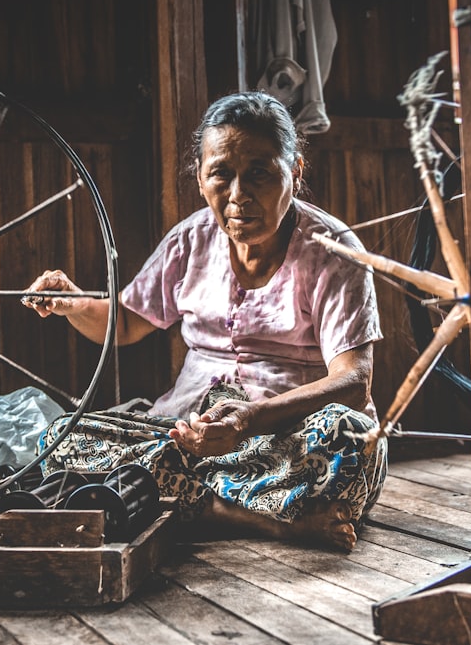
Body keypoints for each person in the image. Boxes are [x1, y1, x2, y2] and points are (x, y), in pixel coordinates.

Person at [23, 91, 386, 551]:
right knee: (60, 438)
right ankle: (265, 520)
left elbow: (354, 382)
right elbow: (128, 323)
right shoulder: (191, 240)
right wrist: (74, 302)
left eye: (259, 172)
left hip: (283, 438)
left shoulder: (333, 250)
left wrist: (248, 421)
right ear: (200, 178)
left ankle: (169, 496)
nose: (238, 195)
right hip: (188, 432)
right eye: (221, 174)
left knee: (350, 437)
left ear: (294, 171)